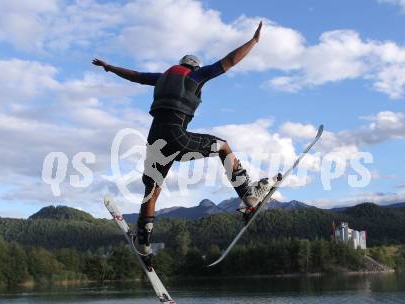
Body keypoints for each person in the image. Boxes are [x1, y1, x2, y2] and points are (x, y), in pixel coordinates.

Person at [93, 22, 278, 269]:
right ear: (194, 67)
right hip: (177, 137)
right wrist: (253, 41)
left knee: (152, 190)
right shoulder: (196, 75)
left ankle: (144, 242)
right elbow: (230, 60)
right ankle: (249, 196)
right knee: (223, 147)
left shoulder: (161, 78)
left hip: (155, 141)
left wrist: (109, 67)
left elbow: (134, 76)